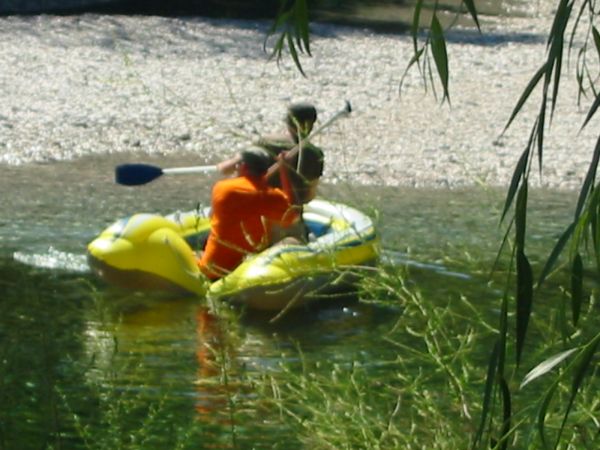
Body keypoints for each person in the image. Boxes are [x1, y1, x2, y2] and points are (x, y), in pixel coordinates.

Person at [216, 102, 324, 241]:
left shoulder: (267, 141)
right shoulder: (314, 155)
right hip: (286, 220)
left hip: (253, 216)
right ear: (312, 124)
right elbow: (308, 196)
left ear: (287, 121)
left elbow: (226, 169)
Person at [197, 147, 299, 280]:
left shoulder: (221, 188)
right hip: (243, 271)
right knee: (292, 241)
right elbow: (292, 216)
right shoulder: (273, 197)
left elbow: (212, 216)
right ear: (265, 170)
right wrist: (284, 170)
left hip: (212, 269)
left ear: (243, 166)